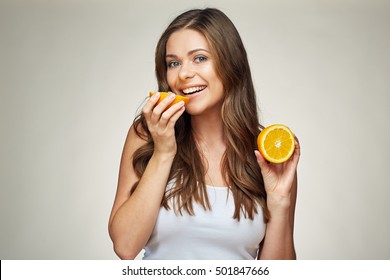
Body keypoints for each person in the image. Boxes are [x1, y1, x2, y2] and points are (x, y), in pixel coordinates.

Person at [108, 8, 300, 260]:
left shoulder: (270, 151)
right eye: (173, 63)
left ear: (230, 63)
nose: (184, 73)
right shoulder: (148, 135)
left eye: (199, 58)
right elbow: (125, 246)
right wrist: (164, 153)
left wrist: (280, 203)